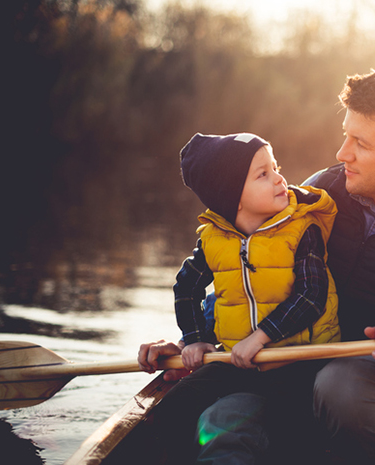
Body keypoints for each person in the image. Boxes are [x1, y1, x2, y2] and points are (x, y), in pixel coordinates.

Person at [140, 63, 375, 464]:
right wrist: (195, 342)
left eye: (360, 143)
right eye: (346, 135)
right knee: (221, 421)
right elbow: (254, 275)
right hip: (285, 373)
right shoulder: (320, 194)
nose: (342, 153)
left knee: (340, 383)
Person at [138, 132, 340, 463]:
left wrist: (261, 337)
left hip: (304, 362)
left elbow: (312, 295)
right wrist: (195, 340)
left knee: (294, 435)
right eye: (263, 173)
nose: (279, 178)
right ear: (233, 197)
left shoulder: (302, 229)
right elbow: (186, 288)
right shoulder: (214, 240)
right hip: (241, 363)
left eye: (275, 167)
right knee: (174, 408)